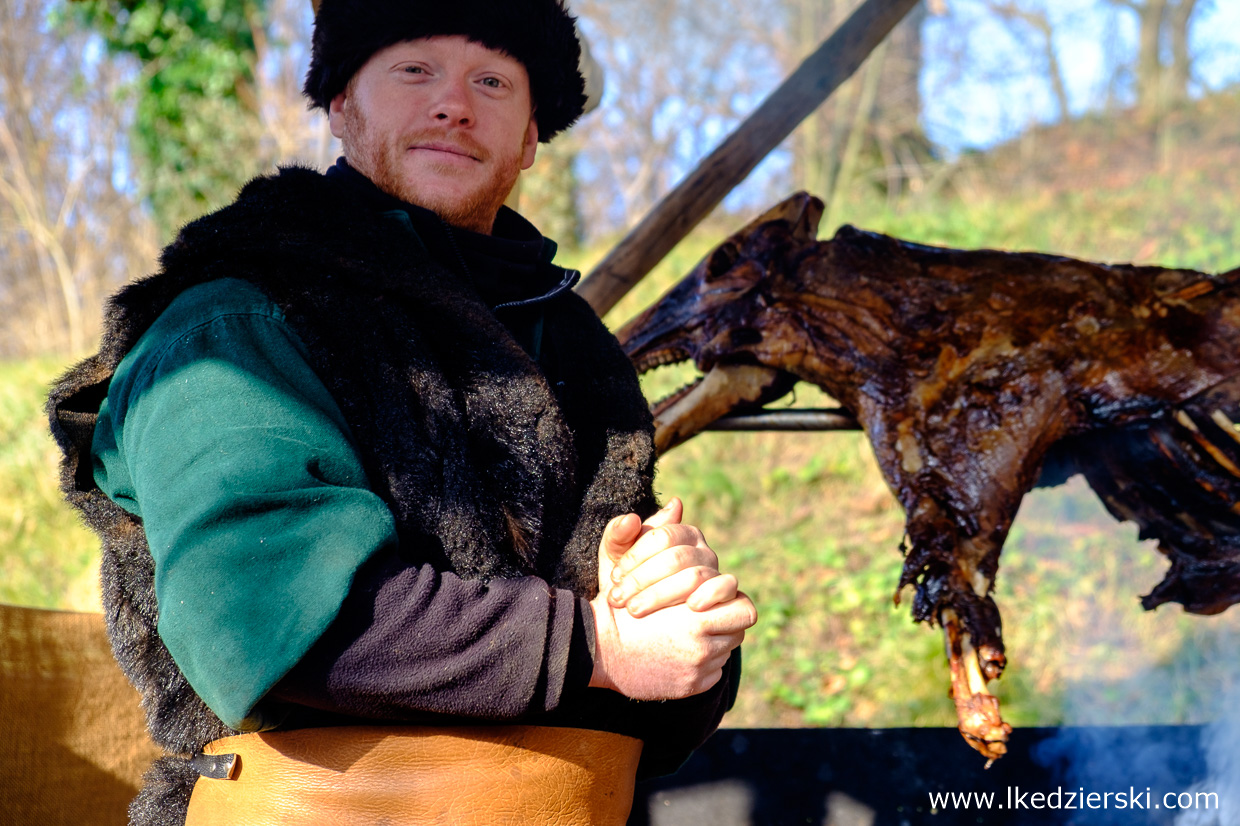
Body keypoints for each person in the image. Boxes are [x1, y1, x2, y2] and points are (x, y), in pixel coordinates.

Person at [47, 1, 756, 823]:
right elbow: (273, 627)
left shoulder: (567, 347)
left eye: (492, 81)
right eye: (415, 70)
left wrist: (685, 621)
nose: (453, 103)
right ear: (342, 103)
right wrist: (605, 645)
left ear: (530, 137)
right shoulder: (236, 326)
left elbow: (642, 692)